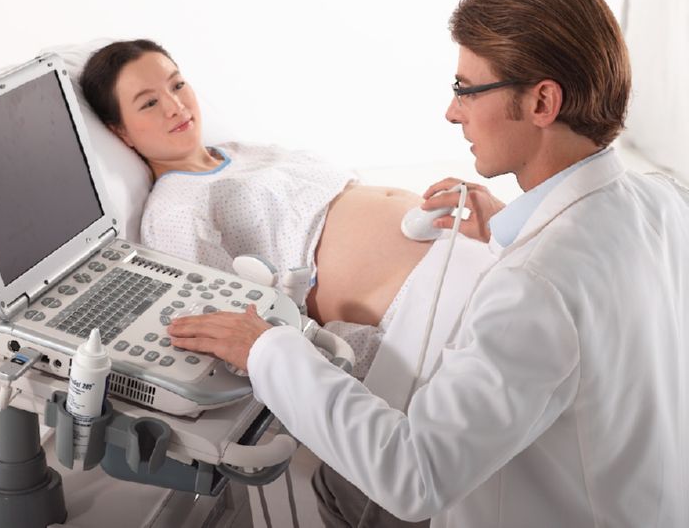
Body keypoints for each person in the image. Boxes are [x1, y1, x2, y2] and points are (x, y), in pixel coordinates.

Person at [167, 0, 689, 527]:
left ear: (542, 103)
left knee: (339, 487)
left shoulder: (533, 288)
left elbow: (414, 475)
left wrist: (267, 350)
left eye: (467, 89)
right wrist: (516, 226)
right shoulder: (665, 200)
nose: (452, 111)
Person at [80, 39, 496, 378]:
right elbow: (225, 325)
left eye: (176, 85)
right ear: (121, 132)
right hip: (417, 300)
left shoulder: (241, 151)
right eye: (148, 103)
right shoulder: (174, 209)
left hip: (463, 250)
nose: (175, 105)